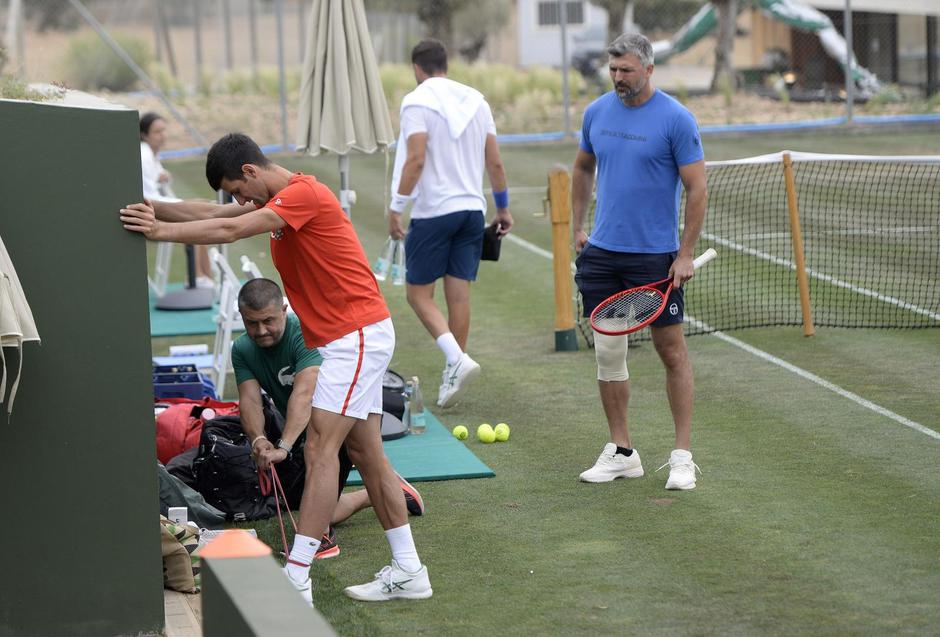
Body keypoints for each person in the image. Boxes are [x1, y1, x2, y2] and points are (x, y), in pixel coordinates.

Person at [120, 133, 432, 605]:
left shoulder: (303, 194)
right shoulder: (278, 198)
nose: (239, 201)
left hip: (356, 334)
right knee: (367, 455)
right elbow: (214, 214)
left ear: (250, 171)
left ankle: (297, 575)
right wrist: (152, 206)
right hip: (349, 336)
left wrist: (157, 232)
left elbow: (228, 231)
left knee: (319, 448)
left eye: (240, 191)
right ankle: (410, 570)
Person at [571, 33, 708, 490]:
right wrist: (577, 227)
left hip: (654, 255)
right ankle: (622, 451)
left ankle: (683, 457)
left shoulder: (675, 118)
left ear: (649, 69)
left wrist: (685, 252)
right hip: (603, 253)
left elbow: (697, 188)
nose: (618, 78)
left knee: (672, 351)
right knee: (608, 353)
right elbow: (582, 167)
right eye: (613, 70)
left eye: (626, 70)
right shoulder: (596, 113)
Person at [234, 278, 425, 560]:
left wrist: (283, 447)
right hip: (308, 428)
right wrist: (259, 440)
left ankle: (321, 538)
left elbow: (304, 394)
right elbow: (249, 400)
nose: (261, 331)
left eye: (268, 321)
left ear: (284, 310)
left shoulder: (306, 333)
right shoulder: (241, 349)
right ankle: (385, 491)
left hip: (341, 419)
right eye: (252, 323)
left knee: (317, 487)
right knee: (317, 504)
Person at [388, 39, 513, 409]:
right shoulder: (477, 100)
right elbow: (495, 163)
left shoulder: (416, 101)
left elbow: (416, 159)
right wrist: (502, 208)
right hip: (472, 211)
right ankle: (453, 369)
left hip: (433, 212)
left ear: (417, 68)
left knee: (417, 294)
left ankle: (456, 360)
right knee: (458, 295)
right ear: (446, 64)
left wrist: (396, 206)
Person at [139, 112, 213, 289]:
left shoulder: (151, 154)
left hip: (156, 205)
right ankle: (198, 276)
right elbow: (148, 196)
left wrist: (163, 177)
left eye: (164, 130)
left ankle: (205, 275)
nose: (163, 135)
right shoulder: (144, 154)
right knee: (199, 213)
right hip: (151, 210)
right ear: (144, 135)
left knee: (204, 208)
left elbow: (156, 181)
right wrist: (181, 204)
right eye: (157, 131)